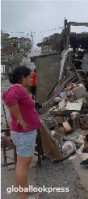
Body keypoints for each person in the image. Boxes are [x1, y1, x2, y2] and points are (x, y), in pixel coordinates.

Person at [2, 66, 41, 199]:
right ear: (22, 78)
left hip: (22, 133)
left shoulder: (16, 89)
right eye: (30, 77)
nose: (31, 79)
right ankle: (22, 196)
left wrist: (17, 117)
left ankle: (23, 191)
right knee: (22, 165)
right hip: (25, 133)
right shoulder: (18, 89)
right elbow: (9, 100)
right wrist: (20, 119)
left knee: (23, 164)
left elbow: (5, 97)